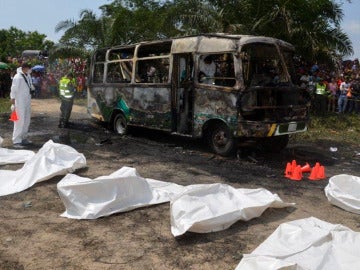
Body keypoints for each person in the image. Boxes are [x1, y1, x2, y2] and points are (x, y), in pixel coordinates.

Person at [10, 62, 34, 148]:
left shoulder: (27, 76)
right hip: (19, 101)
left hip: (27, 100)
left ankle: (23, 138)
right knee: (19, 120)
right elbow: (13, 88)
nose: (29, 70)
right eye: (28, 68)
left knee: (26, 119)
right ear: (24, 68)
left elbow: (29, 86)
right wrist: (13, 99)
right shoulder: (18, 77)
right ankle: (16, 140)